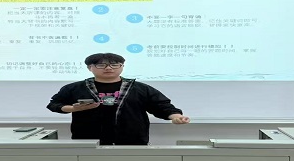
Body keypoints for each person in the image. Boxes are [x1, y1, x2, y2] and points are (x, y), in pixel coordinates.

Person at [47, 53, 190, 145]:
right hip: (88, 140)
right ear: (90, 67)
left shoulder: (139, 88)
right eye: (101, 65)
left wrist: (176, 117)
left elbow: (162, 106)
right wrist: (72, 108)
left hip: (132, 140)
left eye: (114, 64)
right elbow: (54, 104)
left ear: (122, 66)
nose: (109, 68)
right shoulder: (75, 88)